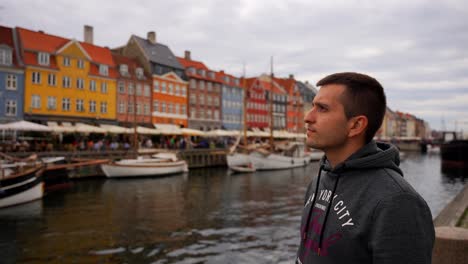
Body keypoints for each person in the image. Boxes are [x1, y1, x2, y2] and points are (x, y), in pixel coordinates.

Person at [297, 72, 434, 264]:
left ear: (356, 125)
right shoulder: (320, 180)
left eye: (323, 108)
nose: (308, 117)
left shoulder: (397, 203)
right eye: (313, 106)